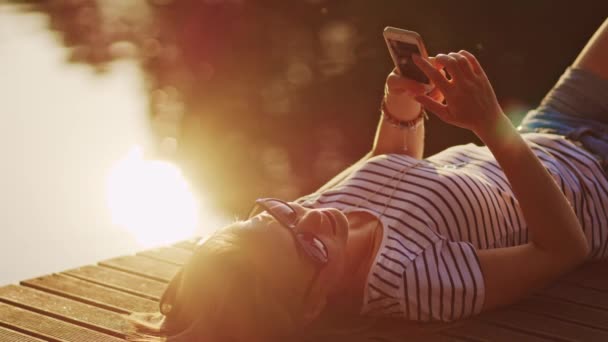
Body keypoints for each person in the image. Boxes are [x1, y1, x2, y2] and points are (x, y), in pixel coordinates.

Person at [127, 18, 608, 342]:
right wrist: (489, 124)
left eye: (278, 214)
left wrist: (401, 102)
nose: (314, 215)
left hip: (551, 129)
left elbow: (387, 164)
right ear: (313, 304)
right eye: (309, 248)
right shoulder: (413, 281)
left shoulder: (313, 221)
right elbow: (564, 248)